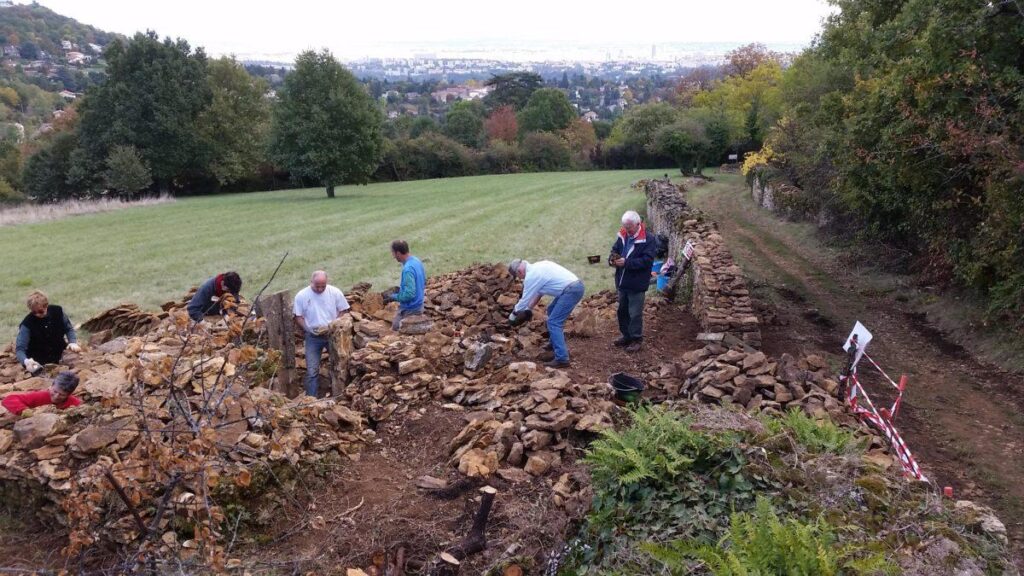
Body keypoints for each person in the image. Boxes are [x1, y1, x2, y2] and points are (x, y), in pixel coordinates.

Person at [508, 259, 585, 369]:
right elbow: (539, 293)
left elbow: (524, 299)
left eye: (519, 277)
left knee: (554, 322)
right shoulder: (538, 267)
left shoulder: (532, 276)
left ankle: (562, 359)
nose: (521, 279)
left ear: (520, 271)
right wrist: (529, 309)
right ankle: (554, 343)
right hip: (573, 287)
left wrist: (513, 315)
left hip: (571, 290)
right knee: (551, 310)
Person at [293, 270, 350, 397]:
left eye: (322, 286)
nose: (319, 289)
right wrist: (307, 329)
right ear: (311, 282)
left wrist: (334, 325)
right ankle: (311, 400)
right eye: (316, 286)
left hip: (333, 336)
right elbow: (298, 317)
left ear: (327, 283)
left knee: (340, 366)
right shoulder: (301, 296)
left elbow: (343, 310)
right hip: (313, 337)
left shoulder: (335, 292)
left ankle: (342, 395)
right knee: (312, 370)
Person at [610, 210, 658, 351]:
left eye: (629, 227)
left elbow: (647, 261)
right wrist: (612, 260)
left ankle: (636, 340)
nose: (627, 230)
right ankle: (626, 336)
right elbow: (614, 250)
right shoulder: (622, 235)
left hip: (637, 283)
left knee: (635, 313)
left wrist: (626, 263)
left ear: (638, 224)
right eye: (625, 227)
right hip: (622, 282)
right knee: (622, 311)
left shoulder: (648, 239)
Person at [16, 291, 81, 375]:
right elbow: (20, 349)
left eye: (40, 311)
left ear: (46, 305)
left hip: (60, 357)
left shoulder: (58, 311)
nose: (37, 315)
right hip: (39, 365)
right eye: (34, 312)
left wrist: (72, 342)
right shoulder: (27, 324)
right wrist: (26, 361)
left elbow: (68, 329)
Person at [384, 240, 426, 331]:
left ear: (398, 253)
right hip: (419, 305)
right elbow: (423, 281)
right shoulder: (416, 261)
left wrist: (393, 297)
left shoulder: (408, 269)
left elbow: (409, 294)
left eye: (393, 253)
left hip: (411, 309)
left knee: (395, 329)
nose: (393, 256)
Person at [1, 371, 81, 415]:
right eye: (55, 391)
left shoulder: (74, 402)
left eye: (62, 395)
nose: (56, 396)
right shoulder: (40, 395)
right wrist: (25, 411)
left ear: (69, 394)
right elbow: (8, 399)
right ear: (51, 386)